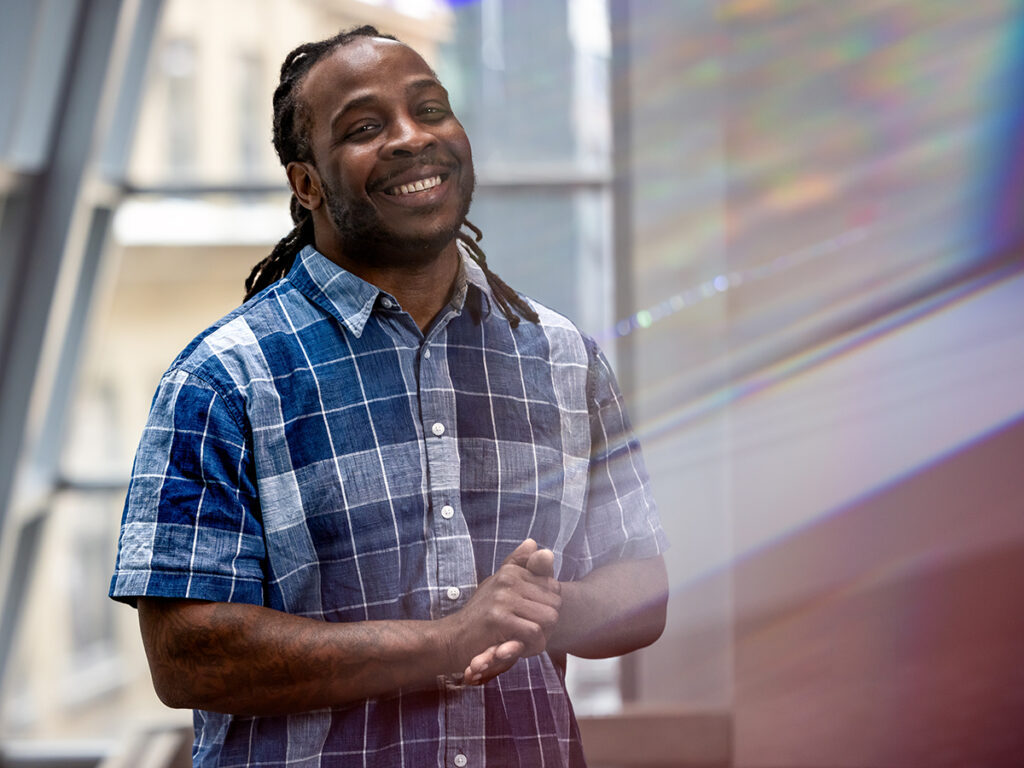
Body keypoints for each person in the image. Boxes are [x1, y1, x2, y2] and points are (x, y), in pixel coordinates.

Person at [110, 25, 668, 768]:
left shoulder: (562, 356)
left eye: (431, 109)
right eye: (366, 127)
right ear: (306, 183)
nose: (412, 138)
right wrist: (449, 639)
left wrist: (541, 612)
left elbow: (642, 587)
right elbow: (186, 656)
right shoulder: (223, 378)